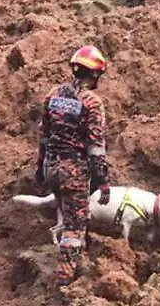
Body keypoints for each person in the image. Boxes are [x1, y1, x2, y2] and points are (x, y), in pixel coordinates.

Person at [35, 45, 109, 291]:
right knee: (74, 228)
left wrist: (40, 168)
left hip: (51, 167)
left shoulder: (53, 95)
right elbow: (96, 147)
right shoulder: (92, 102)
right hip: (74, 171)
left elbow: (44, 136)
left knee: (69, 215)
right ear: (95, 74)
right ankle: (65, 280)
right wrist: (103, 180)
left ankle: (75, 261)